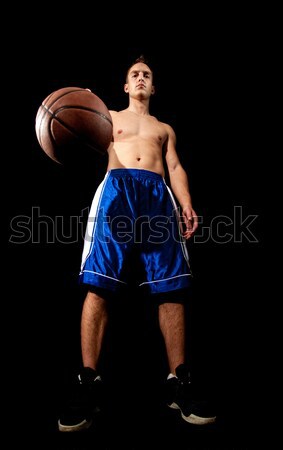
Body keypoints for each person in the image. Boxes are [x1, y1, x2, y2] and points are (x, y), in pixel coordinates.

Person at [58, 55, 216, 432]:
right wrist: (85, 102)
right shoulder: (108, 116)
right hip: (116, 191)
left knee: (171, 288)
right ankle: (87, 384)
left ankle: (179, 382)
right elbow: (79, 124)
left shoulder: (164, 128)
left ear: (153, 87)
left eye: (147, 74)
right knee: (97, 284)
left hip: (157, 196)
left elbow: (174, 166)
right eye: (135, 74)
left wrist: (187, 203)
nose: (141, 78)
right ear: (126, 86)